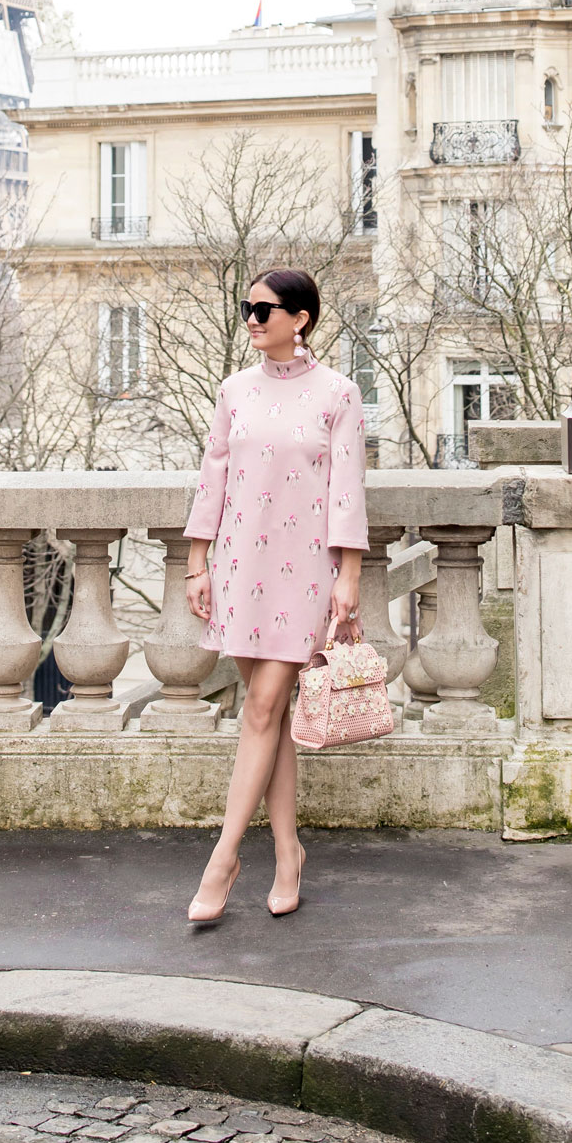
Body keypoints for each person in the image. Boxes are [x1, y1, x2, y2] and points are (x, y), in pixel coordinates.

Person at [183, 265, 368, 923]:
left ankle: (223, 859)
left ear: (302, 319)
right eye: (247, 309)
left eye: (265, 310)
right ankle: (289, 852)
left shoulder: (338, 394)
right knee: (270, 720)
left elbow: (347, 491)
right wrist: (197, 562)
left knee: (262, 710)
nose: (253, 320)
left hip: (306, 573)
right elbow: (213, 477)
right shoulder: (234, 391)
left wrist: (348, 576)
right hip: (239, 566)